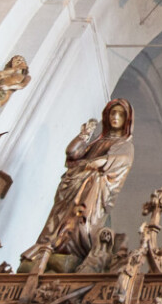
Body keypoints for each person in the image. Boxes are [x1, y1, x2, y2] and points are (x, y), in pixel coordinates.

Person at [29, 100, 135, 271]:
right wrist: (84, 136)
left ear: (127, 120)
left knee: (79, 220)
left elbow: (120, 161)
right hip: (74, 184)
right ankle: (46, 248)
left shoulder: (125, 145)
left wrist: (95, 163)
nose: (115, 117)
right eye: (112, 113)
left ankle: (70, 253)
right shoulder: (97, 142)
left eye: (121, 114)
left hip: (94, 188)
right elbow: (72, 153)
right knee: (59, 218)